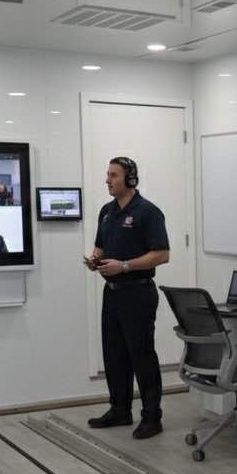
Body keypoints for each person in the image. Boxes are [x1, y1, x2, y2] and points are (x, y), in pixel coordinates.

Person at [84, 156, 170, 439]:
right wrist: (96, 259)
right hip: (113, 294)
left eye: (114, 175)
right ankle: (120, 409)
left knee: (141, 356)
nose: (108, 180)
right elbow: (101, 244)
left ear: (130, 179)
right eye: (107, 174)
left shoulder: (147, 212)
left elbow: (162, 254)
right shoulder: (107, 211)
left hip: (138, 293)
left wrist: (124, 266)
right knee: (114, 355)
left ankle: (151, 417)